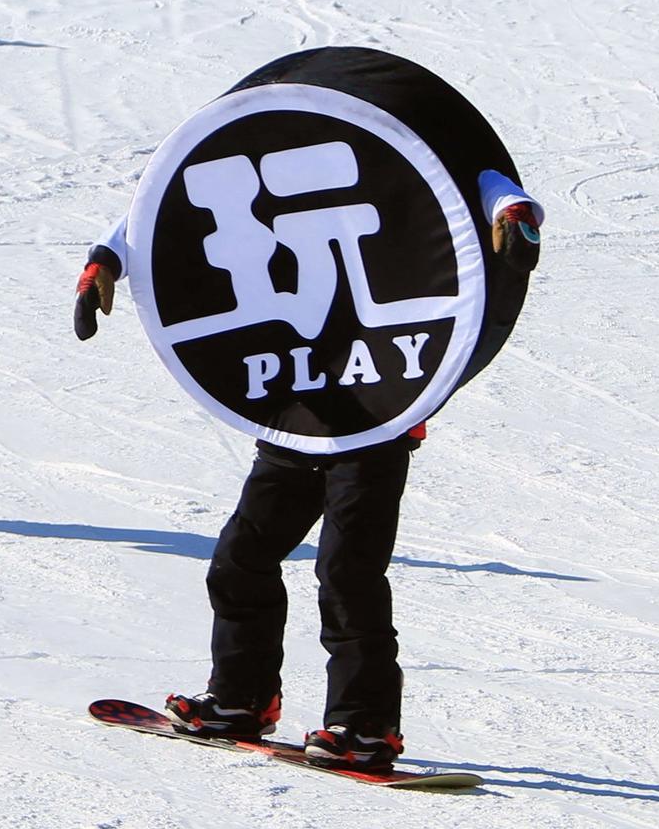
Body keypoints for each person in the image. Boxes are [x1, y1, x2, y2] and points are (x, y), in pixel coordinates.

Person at [75, 166, 542, 772]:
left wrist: (513, 213)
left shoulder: (387, 143)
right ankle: (241, 698)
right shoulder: (284, 145)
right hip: (299, 404)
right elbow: (164, 211)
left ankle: (365, 725)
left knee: (347, 571)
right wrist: (105, 259)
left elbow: (471, 170)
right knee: (241, 555)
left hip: (376, 414)